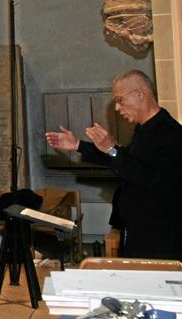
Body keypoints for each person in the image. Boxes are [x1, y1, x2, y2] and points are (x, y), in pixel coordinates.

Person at [46, 70, 182, 259]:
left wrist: (112, 150)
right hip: (137, 229)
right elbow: (125, 160)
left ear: (139, 94)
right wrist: (77, 145)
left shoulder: (171, 134)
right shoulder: (145, 129)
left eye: (120, 100)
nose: (117, 108)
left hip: (159, 237)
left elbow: (156, 181)